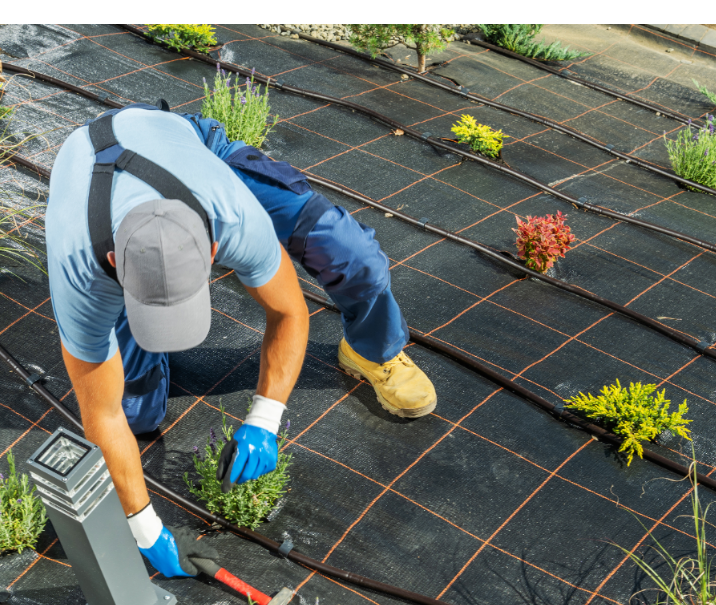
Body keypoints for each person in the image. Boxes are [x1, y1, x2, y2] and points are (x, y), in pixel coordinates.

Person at [45, 101, 436, 578]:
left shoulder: (233, 215)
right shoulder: (80, 271)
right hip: (93, 178)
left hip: (186, 147)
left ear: (214, 251)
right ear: (114, 265)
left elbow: (288, 311)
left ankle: (372, 349)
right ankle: (144, 345)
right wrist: (145, 528)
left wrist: (265, 419)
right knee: (134, 414)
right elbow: (101, 414)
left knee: (350, 252)